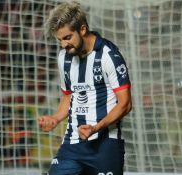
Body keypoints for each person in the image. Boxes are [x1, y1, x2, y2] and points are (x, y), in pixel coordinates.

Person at [38, 1, 132, 175]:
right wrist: (55, 118)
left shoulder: (109, 56)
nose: (64, 45)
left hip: (106, 145)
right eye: (60, 40)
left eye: (67, 38)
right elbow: (67, 96)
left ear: (82, 29)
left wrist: (96, 127)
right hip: (73, 144)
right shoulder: (64, 58)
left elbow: (125, 104)